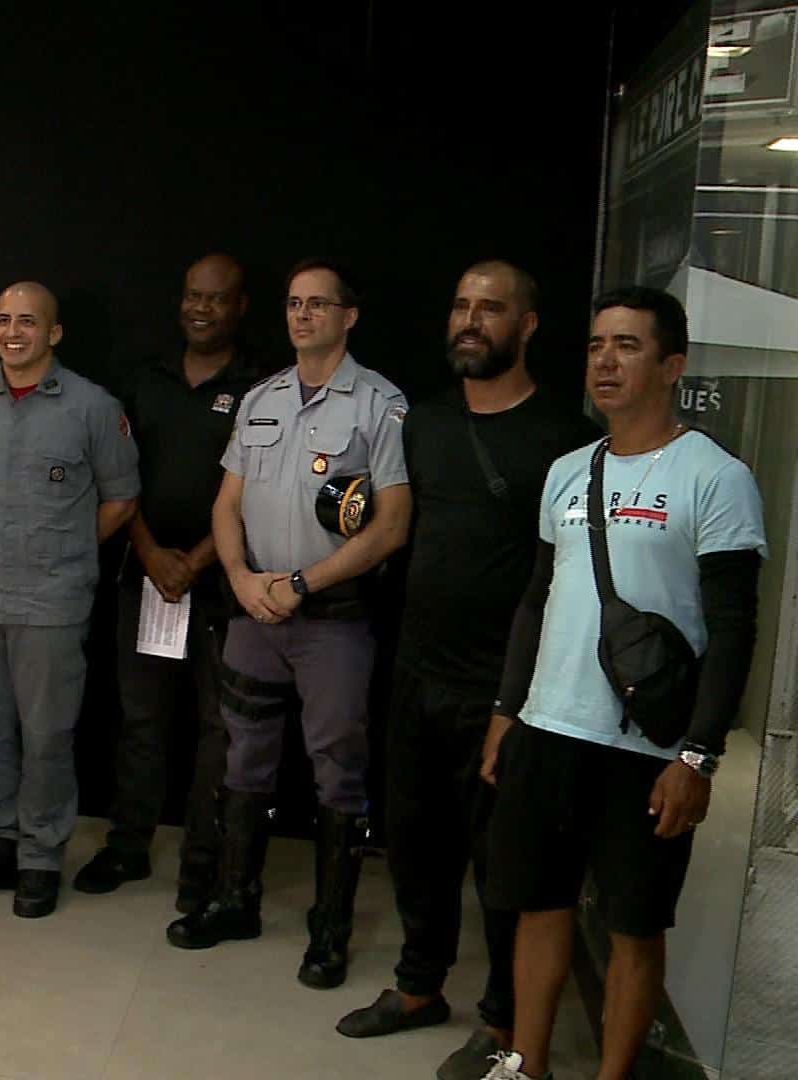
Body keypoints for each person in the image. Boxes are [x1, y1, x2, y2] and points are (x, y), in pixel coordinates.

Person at [477, 287, 764, 1080]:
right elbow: (538, 599)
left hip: (645, 747)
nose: (606, 359)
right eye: (598, 344)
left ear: (673, 366)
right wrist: (508, 711)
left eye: (628, 346)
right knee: (538, 907)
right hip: (548, 728)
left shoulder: (716, 476)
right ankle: (523, 1063)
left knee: (635, 927)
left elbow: (735, 628)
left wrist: (698, 756)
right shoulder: (570, 471)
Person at [335, 262, 598, 1076]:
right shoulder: (425, 422)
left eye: (491, 308)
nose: (471, 320)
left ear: (528, 326)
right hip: (417, 672)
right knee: (415, 845)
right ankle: (419, 987)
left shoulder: (565, 438)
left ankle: (503, 1020)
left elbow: (563, 582)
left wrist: (516, 701)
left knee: (502, 867)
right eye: (461, 305)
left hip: (506, 690)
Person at [167, 258, 410, 991]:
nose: (303, 316)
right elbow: (225, 503)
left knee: (338, 770)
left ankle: (330, 930)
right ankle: (237, 899)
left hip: (330, 615)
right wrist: (240, 578)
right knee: (244, 759)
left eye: (318, 305)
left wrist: (303, 583)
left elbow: (392, 525)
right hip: (256, 609)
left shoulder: (380, 405)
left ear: (349, 316)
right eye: (294, 304)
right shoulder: (262, 397)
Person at [0, 281, 140, 918]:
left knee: (48, 734)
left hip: (51, 600)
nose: (12, 332)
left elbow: (121, 500)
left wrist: (62, 551)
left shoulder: (92, 407)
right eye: (2, 319)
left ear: (54, 333)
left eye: (28, 321)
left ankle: (40, 855)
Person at [76, 253, 261, 910]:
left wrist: (199, 560)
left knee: (219, 727)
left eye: (215, 299)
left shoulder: (259, 387)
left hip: (225, 581)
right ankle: (128, 845)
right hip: (146, 575)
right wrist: (154, 554)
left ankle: (205, 859)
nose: (200, 309)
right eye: (192, 296)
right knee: (141, 720)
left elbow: (259, 490)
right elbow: (115, 478)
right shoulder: (143, 380)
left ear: (239, 306)